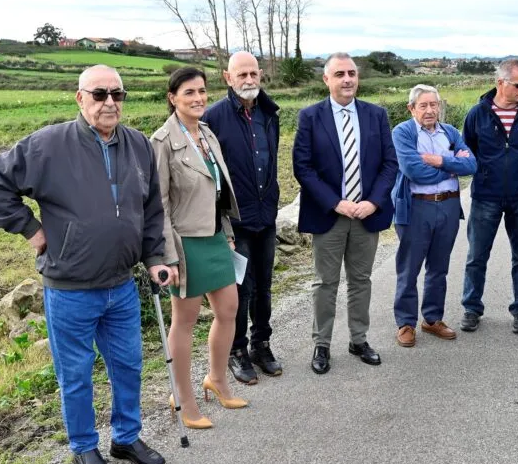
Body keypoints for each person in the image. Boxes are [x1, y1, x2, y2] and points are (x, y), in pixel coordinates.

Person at [0, 65, 167, 464]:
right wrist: (30, 228)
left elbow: (150, 208)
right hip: (70, 288)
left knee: (129, 365)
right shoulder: (48, 145)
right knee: (76, 375)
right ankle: (84, 447)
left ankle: (126, 438)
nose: (109, 102)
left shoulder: (137, 144)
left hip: (121, 284)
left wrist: (154, 256)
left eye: (117, 93)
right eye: (99, 94)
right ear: (79, 98)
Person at [150, 67, 248, 429]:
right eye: (189, 93)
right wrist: (167, 255)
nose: (198, 98)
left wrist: (226, 230)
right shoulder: (162, 141)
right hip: (184, 242)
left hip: (215, 237)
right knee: (185, 321)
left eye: (202, 91)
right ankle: (183, 396)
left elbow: (218, 191)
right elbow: (157, 202)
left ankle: (217, 380)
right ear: (173, 98)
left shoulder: (207, 134)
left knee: (229, 310)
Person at [293, 52, 398, 374]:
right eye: (339, 74)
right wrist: (336, 202)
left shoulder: (375, 115)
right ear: (327, 79)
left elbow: (389, 164)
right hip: (330, 215)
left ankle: (358, 340)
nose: (347, 79)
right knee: (325, 282)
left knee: (361, 280)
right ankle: (321, 344)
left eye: (351, 73)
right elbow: (303, 167)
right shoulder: (310, 117)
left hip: (367, 214)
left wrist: (374, 202)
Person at [203, 51, 283, 385]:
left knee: (265, 285)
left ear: (260, 74)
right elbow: (210, 176)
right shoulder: (214, 118)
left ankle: (260, 344)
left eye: (253, 74)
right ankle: (237, 351)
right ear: (227, 77)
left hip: (266, 216)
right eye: (241, 75)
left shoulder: (269, 112)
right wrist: (220, 223)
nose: (248, 80)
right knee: (240, 290)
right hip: (235, 222)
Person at [460, 58, 518, 334]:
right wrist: (485, 173)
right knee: (477, 255)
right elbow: (469, 151)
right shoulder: (477, 114)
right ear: (500, 82)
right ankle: (472, 307)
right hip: (486, 196)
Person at [392, 84, 477, 347]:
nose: (430, 110)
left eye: (434, 104)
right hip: (418, 206)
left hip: (449, 206)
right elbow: (414, 171)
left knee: (439, 268)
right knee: (409, 268)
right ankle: (406, 323)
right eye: (423, 105)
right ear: (411, 108)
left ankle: (432, 319)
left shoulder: (450, 132)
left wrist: (439, 161)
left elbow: (471, 164)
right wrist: (453, 167)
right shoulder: (403, 132)